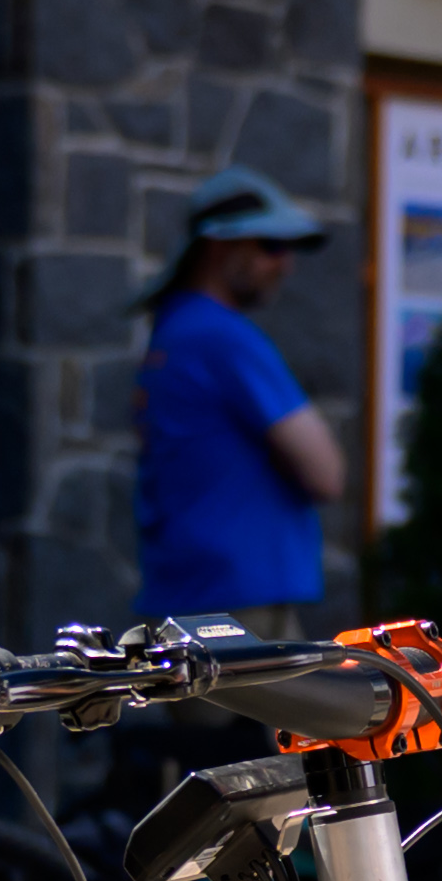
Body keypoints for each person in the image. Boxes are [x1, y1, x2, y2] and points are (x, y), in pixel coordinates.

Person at [129, 165, 344, 623]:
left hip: (192, 597)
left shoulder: (174, 329)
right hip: (237, 608)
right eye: (271, 245)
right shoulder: (221, 336)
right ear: (219, 245)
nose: (285, 264)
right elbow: (325, 473)